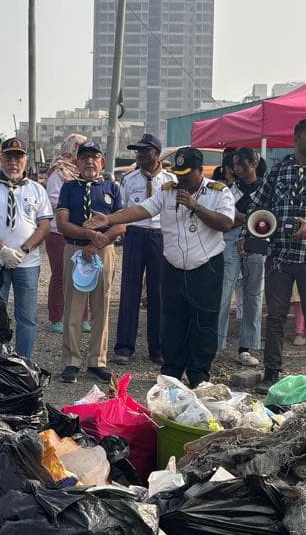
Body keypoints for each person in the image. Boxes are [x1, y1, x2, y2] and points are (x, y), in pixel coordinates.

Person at [87, 146, 234, 387]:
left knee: (203, 324)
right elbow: (141, 210)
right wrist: (110, 219)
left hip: (206, 267)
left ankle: (199, 376)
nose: (181, 178)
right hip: (174, 266)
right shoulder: (168, 192)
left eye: (187, 173)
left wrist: (195, 206)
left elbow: (226, 223)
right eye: (179, 173)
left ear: (200, 170)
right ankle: (171, 374)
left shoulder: (219, 192)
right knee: (173, 321)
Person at [242, 119, 306, 387]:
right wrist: (249, 234)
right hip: (279, 256)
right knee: (275, 316)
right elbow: (257, 206)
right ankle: (271, 372)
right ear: (296, 138)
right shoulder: (277, 172)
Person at [0, 137, 52, 363]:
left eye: (18, 156)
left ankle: (22, 364)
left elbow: (45, 225)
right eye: (8, 156)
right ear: (1, 159)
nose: (13, 162)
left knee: (27, 317)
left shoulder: (37, 190)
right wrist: (3, 250)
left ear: (25, 159)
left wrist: (24, 250)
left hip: (27, 263)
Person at [55, 141, 124, 384]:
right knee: (73, 307)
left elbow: (120, 223)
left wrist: (98, 242)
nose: (89, 162)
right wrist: (88, 236)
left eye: (94, 157)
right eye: (84, 157)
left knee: (101, 306)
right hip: (75, 249)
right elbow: (62, 223)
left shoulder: (111, 188)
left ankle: (97, 361)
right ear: (76, 162)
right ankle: (72, 361)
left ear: (102, 162)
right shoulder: (69, 188)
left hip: (104, 250)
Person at [113, 133, 173, 365]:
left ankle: (157, 348)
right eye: (137, 150)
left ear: (156, 154)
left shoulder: (170, 181)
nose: (139, 154)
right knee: (130, 291)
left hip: (159, 236)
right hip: (136, 235)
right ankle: (124, 347)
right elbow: (124, 210)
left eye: (144, 150)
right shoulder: (129, 180)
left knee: (158, 293)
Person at [217, 147, 267, 367]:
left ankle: (246, 347)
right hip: (230, 239)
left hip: (257, 241)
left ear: (253, 164)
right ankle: (215, 343)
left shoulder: (266, 189)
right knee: (223, 293)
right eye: (234, 165)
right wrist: (251, 219)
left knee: (254, 295)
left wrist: (241, 219)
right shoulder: (228, 190)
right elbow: (227, 218)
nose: (237, 169)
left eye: (241, 164)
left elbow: (266, 219)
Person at [43, 133, 88, 333]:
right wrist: (73, 208)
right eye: (81, 150)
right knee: (61, 274)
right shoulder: (58, 172)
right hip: (58, 232)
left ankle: (82, 316)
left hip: (80, 230)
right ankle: (57, 316)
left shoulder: (81, 173)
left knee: (84, 273)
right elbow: (53, 200)